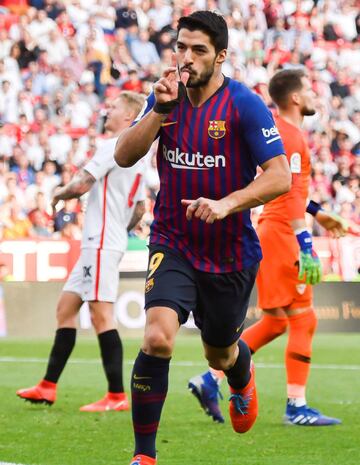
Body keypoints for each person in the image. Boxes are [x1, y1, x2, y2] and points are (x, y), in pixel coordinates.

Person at [114, 11, 291, 465]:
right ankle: (144, 456)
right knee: (157, 338)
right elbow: (125, 154)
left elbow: (279, 176)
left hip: (230, 252)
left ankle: (240, 372)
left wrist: (228, 203)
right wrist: (159, 114)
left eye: (198, 51)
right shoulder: (166, 99)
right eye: (181, 47)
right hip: (173, 240)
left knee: (219, 352)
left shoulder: (244, 105)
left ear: (221, 57)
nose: (186, 58)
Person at [189, 69, 347, 427]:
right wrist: (306, 243)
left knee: (276, 323)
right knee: (304, 320)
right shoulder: (289, 136)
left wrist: (320, 213)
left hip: (274, 230)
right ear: (294, 98)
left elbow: (285, 189)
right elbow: (288, 193)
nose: (313, 95)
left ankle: (210, 379)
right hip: (282, 235)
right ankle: (296, 405)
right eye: (308, 89)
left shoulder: (282, 133)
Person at [16, 91, 147, 412]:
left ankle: (116, 396)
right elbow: (140, 208)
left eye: (115, 107)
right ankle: (47, 387)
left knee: (102, 316)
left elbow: (82, 183)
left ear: (129, 117)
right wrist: (119, 226)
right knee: (65, 308)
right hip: (104, 241)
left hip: (100, 243)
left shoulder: (115, 145)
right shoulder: (140, 156)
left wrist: (57, 196)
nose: (109, 109)